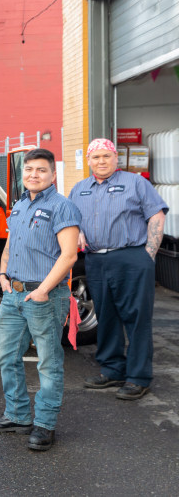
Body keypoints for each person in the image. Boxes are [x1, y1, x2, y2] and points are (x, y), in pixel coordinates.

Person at [0, 148, 81, 451]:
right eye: (29, 170)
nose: (33, 175)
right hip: (13, 295)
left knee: (48, 363)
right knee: (6, 355)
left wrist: (42, 291)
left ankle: (45, 425)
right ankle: (18, 415)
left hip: (44, 296)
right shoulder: (20, 205)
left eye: (40, 170)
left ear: (52, 175)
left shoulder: (62, 207)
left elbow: (69, 255)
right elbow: (11, 245)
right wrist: (2, 275)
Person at [69, 138, 168, 400]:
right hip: (96, 260)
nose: (101, 161)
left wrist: (148, 254)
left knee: (136, 317)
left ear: (116, 159)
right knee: (106, 315)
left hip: (132, 257)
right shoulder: (79, 189)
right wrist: (77, 232)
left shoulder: (136, 183)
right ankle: (113, 370)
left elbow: (157, 214)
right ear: (89, 161)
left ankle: (138, 377)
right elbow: (71, 219)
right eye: (96, 157)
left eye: (106, 156)